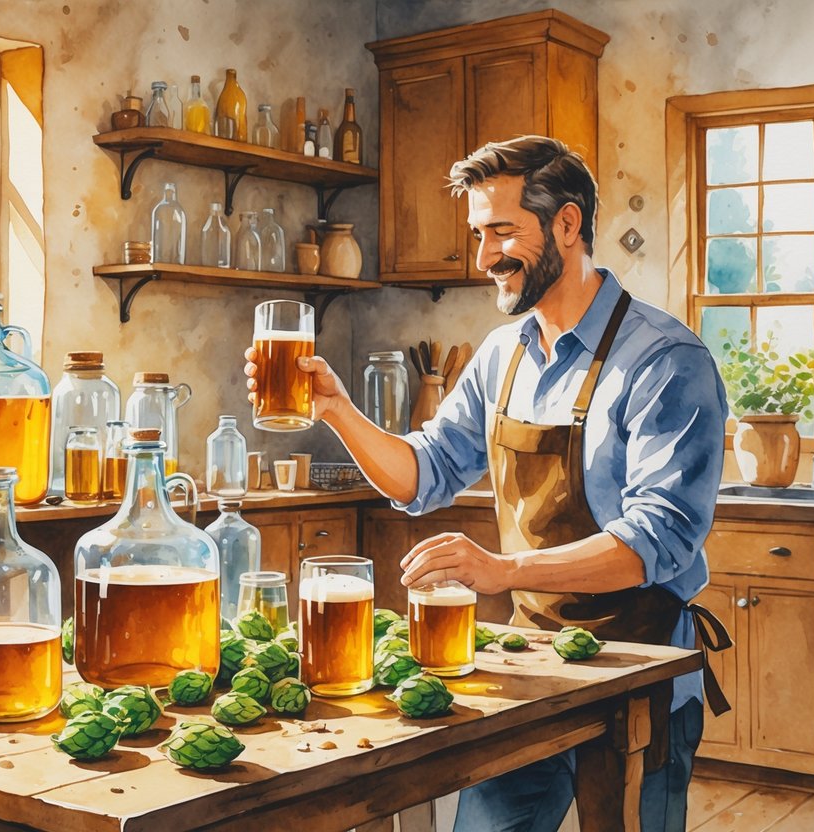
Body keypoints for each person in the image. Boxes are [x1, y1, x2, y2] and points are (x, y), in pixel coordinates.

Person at [243, 135, 730, 832]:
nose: (483, 258)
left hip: (642, 671)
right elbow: (424, 475)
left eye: (501, 231)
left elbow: (656, 541)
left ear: (566, 224)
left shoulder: (662, 360)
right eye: (477, 233)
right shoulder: (502, 354)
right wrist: (335, 409)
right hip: (531, 670)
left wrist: (502, 569)